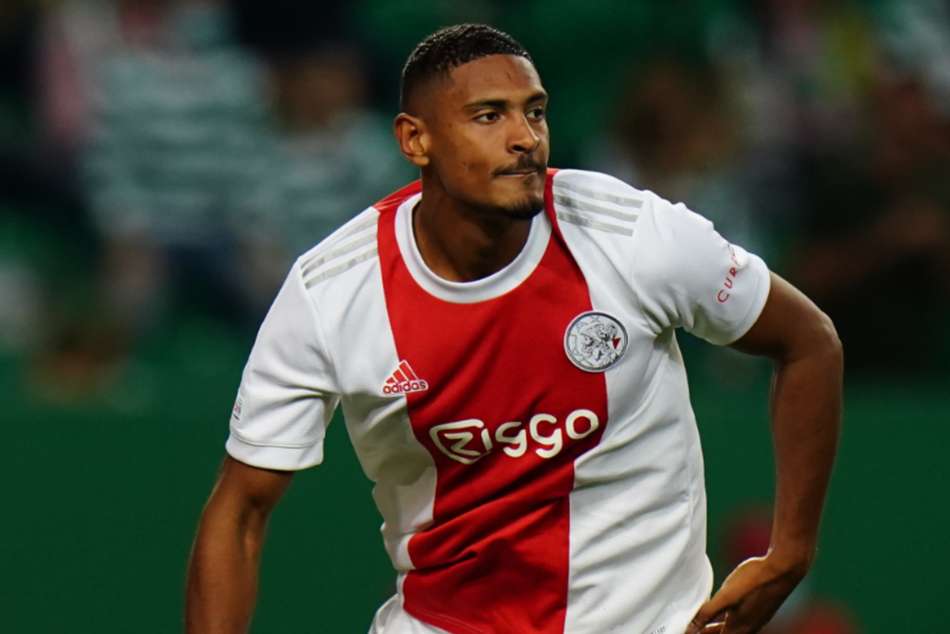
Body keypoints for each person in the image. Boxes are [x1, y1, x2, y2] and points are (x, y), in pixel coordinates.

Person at [186, 24, 843, 634]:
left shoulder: (633, 235)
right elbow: (240, 510)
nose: (525, 136)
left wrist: (789, 553)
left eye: (535, 111)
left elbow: (809, 341)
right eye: (489, 116)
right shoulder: (331, 292)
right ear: (415, 140)